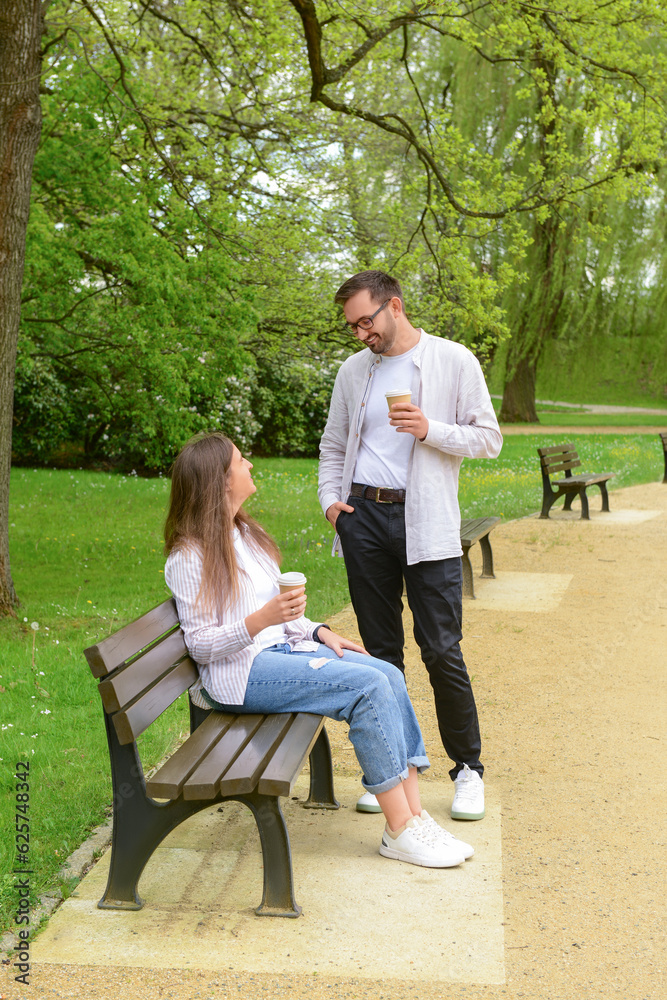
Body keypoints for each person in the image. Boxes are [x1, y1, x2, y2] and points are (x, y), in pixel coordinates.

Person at [163, 432, 474, 868]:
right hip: (243, 676)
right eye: (239, 461)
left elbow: (283, 615)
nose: (249, 464)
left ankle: (416, 817)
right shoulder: (188, 557)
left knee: (385, 672)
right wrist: (261, 620)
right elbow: (200, 646)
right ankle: (399, 829)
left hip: (278, 655)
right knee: (365, 687)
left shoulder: (244, 536)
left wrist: (319, 632)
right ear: (218, 481)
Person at [318, 270, 502, 821]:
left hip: (428, 521)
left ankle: (468, 770)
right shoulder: (354, 372)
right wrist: (333, 503)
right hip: (364, 519)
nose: (360, 335)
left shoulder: (453, 360)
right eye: (351, 326)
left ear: (394, 306)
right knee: (380, 657)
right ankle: (390, 773)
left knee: (442, 650)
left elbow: (489, 438)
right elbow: (332, 442)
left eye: (365, 321)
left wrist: (430, 429)